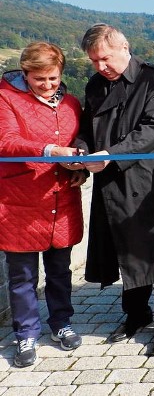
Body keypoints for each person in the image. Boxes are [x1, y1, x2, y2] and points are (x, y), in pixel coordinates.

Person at [75, 24, 154, 356]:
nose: (100, 67)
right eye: (94, 61)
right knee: (127, 252)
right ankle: (135, 315)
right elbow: (87, 128)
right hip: (112, 184)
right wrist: (79, 149)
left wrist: (111, 155)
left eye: (104, 59)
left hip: (153, 184)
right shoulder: (95, 85)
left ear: (124, 48)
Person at [0, 42, 85, 367]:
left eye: (53, 79)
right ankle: (25, 335)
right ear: (25, 74)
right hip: (19, 203)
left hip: (61, 201)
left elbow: (79, 143)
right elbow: (6, 141)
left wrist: (80, 173)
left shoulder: (71, 104)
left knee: (60, 272)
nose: (48, 86)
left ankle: (61, 324)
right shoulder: (6, 99)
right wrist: (49, 150)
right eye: (40, 80)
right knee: (22, 277)